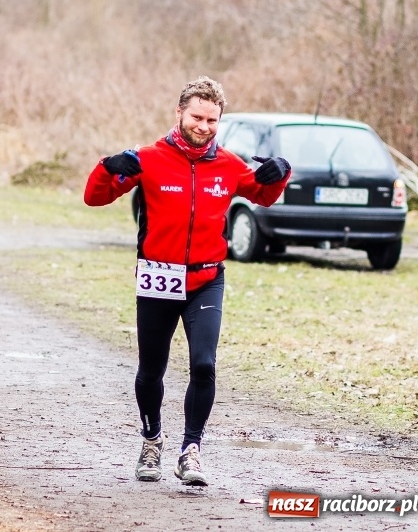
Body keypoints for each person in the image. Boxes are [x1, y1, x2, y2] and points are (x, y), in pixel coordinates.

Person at [83, 76, 291, 486]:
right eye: (198, 116)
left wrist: (278, 173)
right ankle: (152, 440)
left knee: (204, 365)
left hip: (206, 278)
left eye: (213, 120)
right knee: (150, 372)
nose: (205, 126)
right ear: (179, 113)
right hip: (159, 277)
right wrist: (108, 167)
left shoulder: (228, 164)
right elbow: (96, 196)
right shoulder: (148, 157)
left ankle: (190, 451)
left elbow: (263, 194)